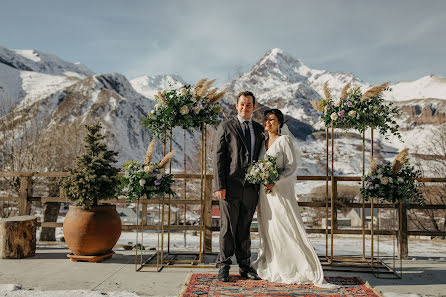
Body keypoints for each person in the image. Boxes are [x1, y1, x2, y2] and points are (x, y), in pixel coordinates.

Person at [252, 108, 334, 287]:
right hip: (264, 195)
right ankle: (272, 262)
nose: (268, 123)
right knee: (268, 228)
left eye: (272, 119)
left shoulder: (284, 141)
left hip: (280, 192)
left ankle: (293, 266)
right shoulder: (262, 141)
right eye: (266, 120)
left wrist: (275, 181)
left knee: (285, 226)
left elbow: (291, 167)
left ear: (279, 122)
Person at [213, 91, 264, 282]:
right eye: (242, 104)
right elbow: (218, 158)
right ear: (236, 106)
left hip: (251, 188)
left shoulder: (259, 129)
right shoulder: (226, 127)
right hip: (230, 186)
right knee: (227, 228)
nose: (245, 107)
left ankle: (245, 266)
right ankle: (224, 266)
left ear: (254, 106)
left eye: (249, 104)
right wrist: (220, 185)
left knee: (244, 228)